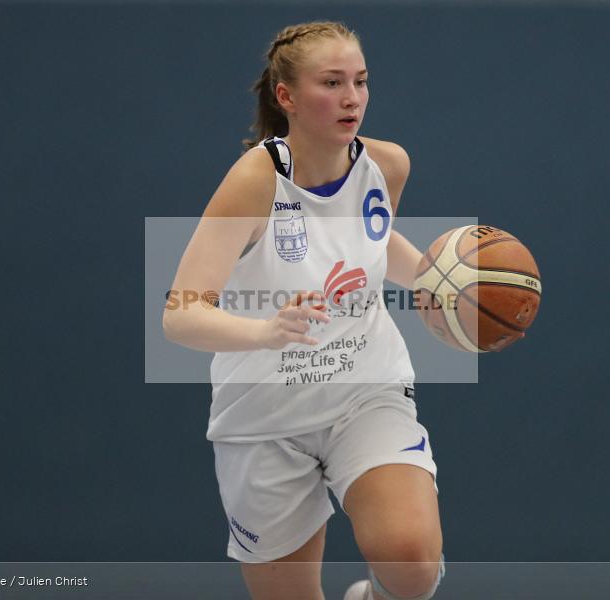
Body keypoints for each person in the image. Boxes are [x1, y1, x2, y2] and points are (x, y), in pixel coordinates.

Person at [163, 21, 445, 600]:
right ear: (286, 96)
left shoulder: (387, 164)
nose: (352, 98)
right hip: (264, 411)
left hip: (364, 390)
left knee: (412, 564)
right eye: (332, 82)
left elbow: (370, 236)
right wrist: (265, 331)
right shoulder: (255, 180)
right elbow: (180, 314)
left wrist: (436, 280)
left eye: (361, 82)